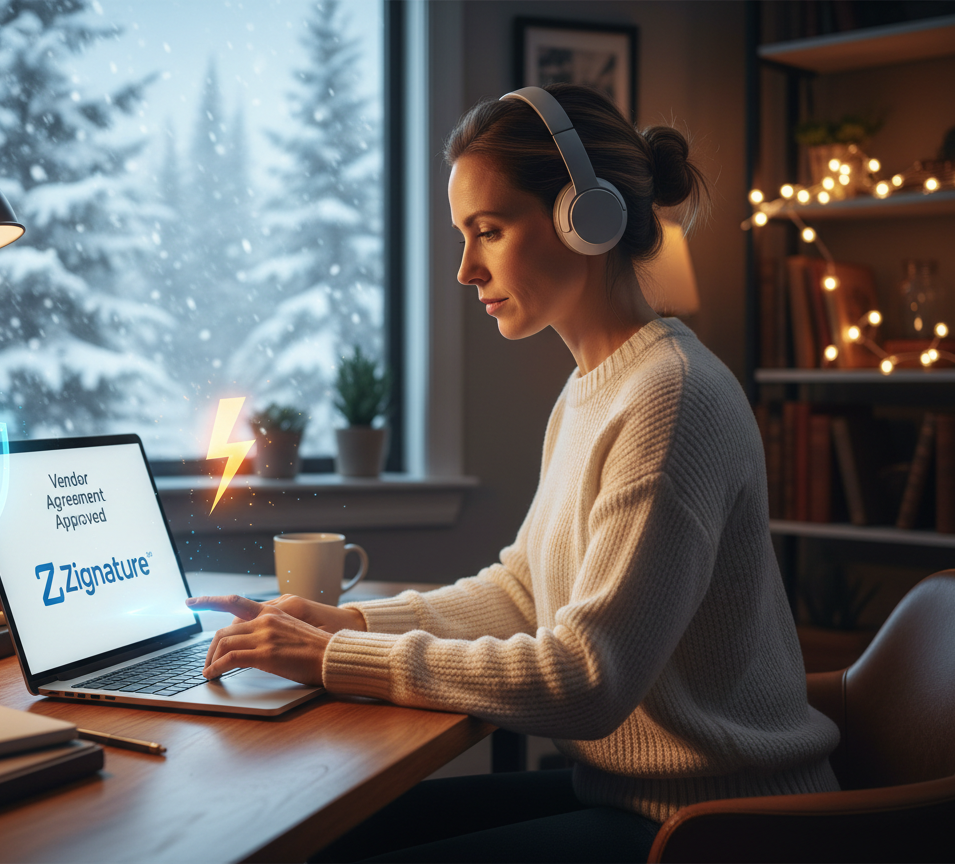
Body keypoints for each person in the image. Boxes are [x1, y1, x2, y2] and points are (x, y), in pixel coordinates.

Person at [186, 83, 840, 863]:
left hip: (723, 829)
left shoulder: (672, 398)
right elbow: (524, 590)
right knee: (321, 837)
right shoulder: (592, 390)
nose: (465, 270)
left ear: (585, 218)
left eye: (488, 231)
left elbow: (588, 679)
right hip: (638, 801)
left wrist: (335, 662)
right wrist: (350, 624)